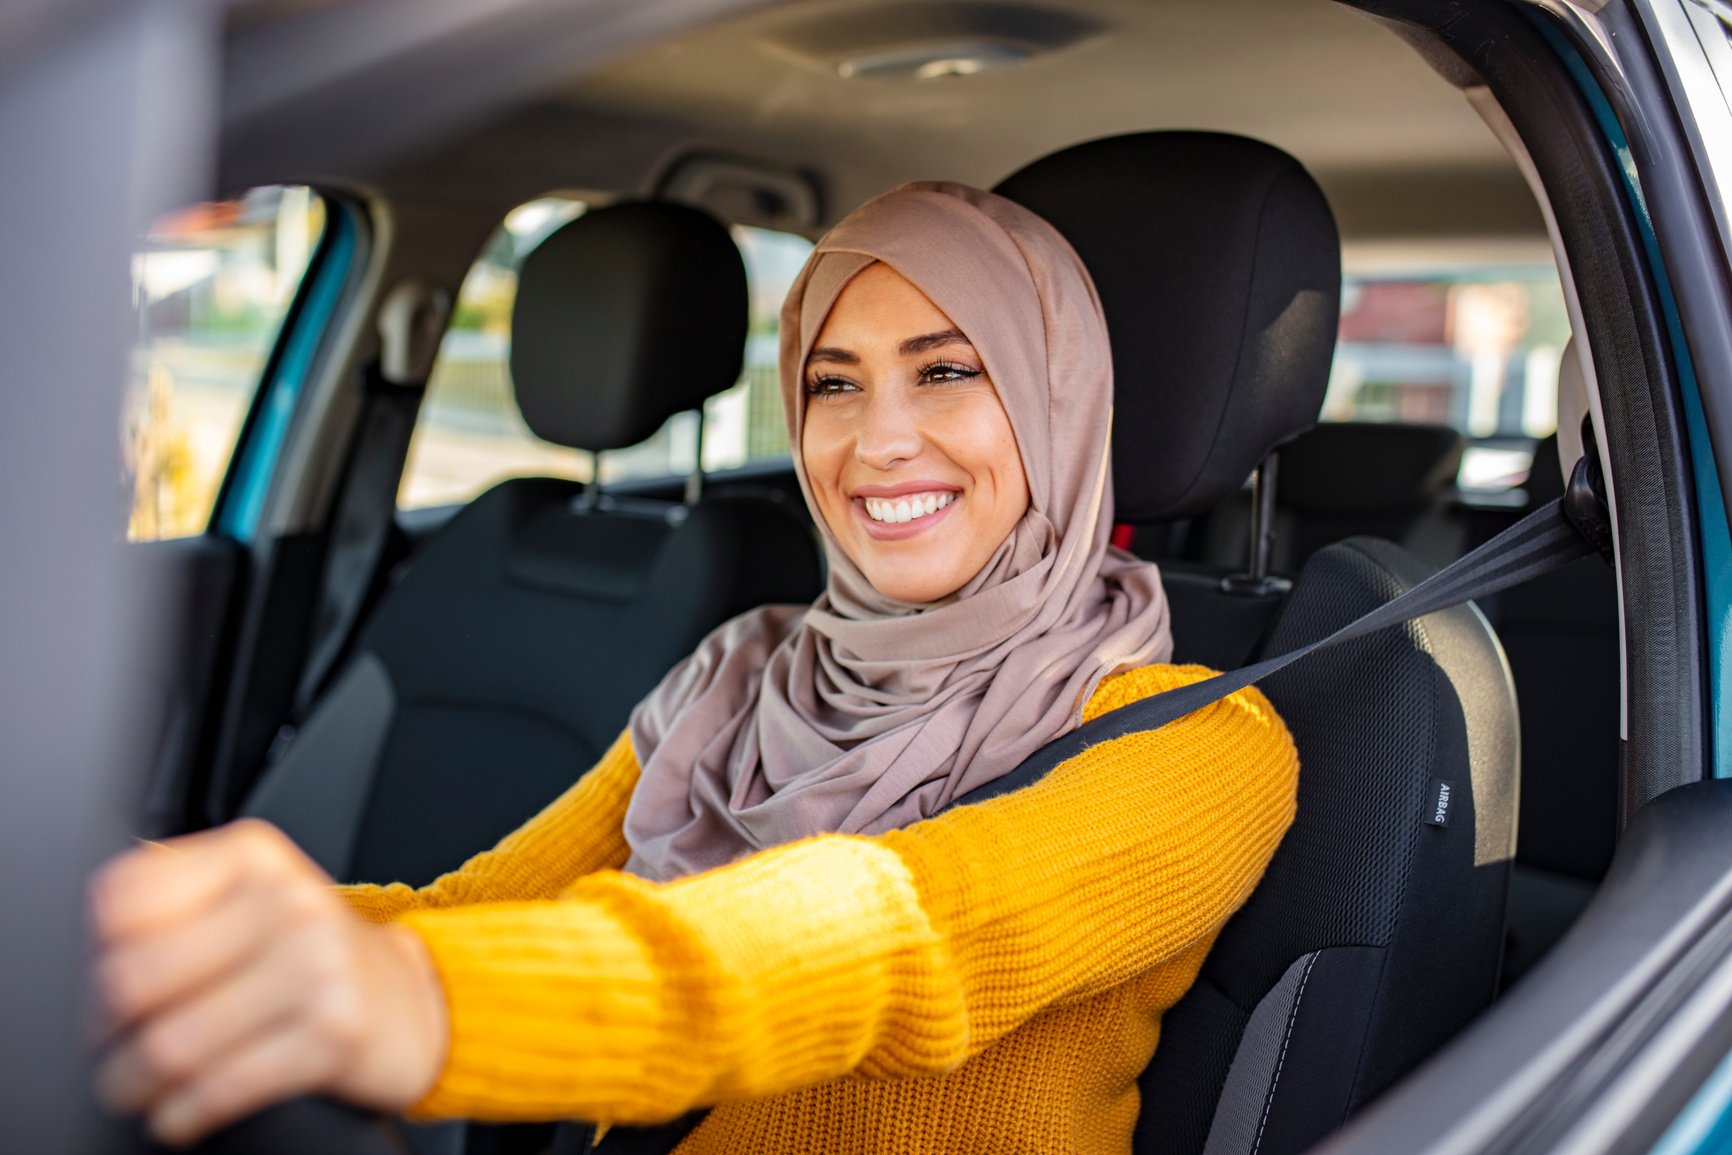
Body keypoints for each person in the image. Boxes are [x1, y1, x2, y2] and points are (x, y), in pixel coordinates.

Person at [88, 182, 1300, 1153]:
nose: (876, 441)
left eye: (946, 371)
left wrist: (423, 1004)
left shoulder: (1197, 743)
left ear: (1057, 401)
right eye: (834, 384)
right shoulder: (745, 668)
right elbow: (480, 910)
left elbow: (902, 936)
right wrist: (139, 923)